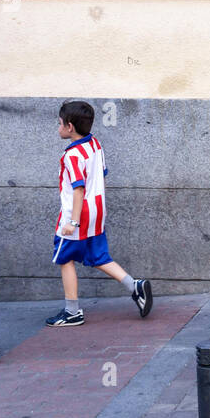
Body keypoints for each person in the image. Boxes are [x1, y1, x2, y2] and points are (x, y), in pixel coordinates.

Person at [43, 100, 153, 327]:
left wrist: (72, 221)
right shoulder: (95, 144)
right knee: (99, 257)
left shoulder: (72, 155)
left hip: (78, 215)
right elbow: (101, 175)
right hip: (96, 211)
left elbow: (78, 188)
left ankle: (72, 311)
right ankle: (135, 286)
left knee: (65, 259)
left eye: (60, 123)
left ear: (70, 127)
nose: (58, 127)